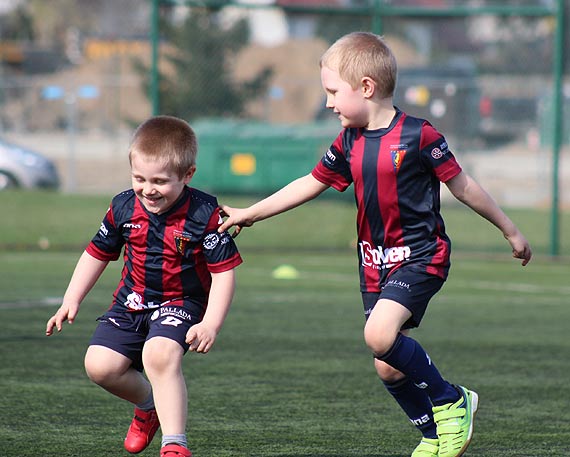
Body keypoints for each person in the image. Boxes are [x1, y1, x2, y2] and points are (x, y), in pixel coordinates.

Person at [218, 32, 532, 457]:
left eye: (332, 92)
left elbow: (464, 186)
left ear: (366, 87)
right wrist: (249, 213)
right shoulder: (348, 141)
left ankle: (452, 401)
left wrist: (509, 229)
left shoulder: (418, 136)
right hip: (373, 265)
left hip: (421, 257)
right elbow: (309, 184)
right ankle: (433, 435)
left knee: (379, 334)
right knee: (386, 364)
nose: (328, 103)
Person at [46, 115, 243, 457]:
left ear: (188, 175)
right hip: (131, 303)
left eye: (160, 181)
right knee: (99, 366)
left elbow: (224, 273)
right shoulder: (122, 206)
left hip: (182, 302)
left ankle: (175, 444)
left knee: (159, 355)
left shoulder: (205, 214)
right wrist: (71, 298)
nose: (148, 188)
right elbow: (97, 253)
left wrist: (210, 323)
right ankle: (149, 406)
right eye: (139, 178)